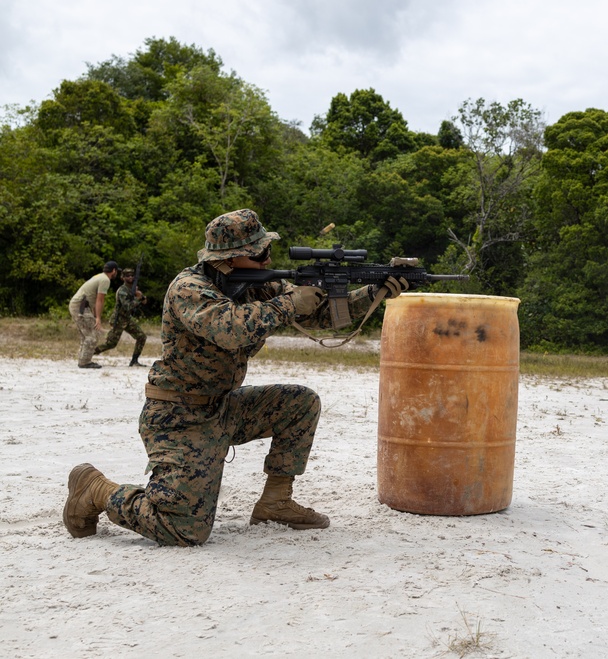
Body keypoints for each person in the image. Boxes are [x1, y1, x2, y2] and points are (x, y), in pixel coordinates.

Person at [62, 208, 408, 546]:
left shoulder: (256, 286)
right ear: (228, 260)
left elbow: (318, 315)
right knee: (184, 529)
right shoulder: (189, 288)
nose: (267, 260)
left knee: (299, 403)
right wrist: (289, 304)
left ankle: (275, 503)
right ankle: (96, 489)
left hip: (223, 408)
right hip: (179, 417)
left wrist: (375, 292)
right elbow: (231, 329)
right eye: (259, 254)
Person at [68, 261, 120, 369]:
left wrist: (95, 316)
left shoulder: (99, 276)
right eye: (116, 271)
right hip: (80, 306)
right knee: (92, 336)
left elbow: (93, 299)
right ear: (114, 271)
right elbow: (99, 300)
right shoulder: (105, 280)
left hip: (79, 305)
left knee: (86, 335)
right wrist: (98, 318)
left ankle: (83, 360)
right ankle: (85, 362)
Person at [94, 267, 148, 367]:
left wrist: (141, 296)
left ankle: (134, 361)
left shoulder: (133, 289)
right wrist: (138, 298)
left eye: (132, 275)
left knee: (141, 337)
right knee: (111, 343)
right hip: (118, 320)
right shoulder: (122, 291)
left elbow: (144, 301)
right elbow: (128, 306)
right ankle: (90, 353)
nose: (130, 277)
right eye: (127, 276)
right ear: (122, 278)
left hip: (127, 319)